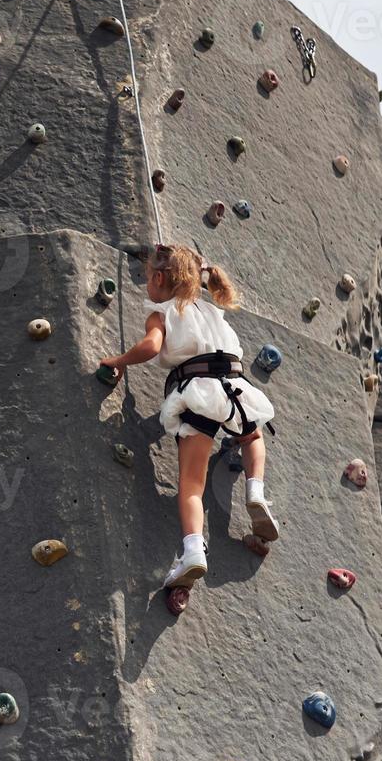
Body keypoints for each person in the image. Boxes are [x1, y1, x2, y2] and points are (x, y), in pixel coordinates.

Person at [99, 244, 277, 589]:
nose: (147, 284)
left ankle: (193, 550)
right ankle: (256, 491)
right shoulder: (209, 311)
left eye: (149, 277)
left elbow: (151, 347)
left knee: (191, 487)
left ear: (160, 277)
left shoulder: (161, 312)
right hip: (234, 388)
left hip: (195, 391)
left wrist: (118, 361)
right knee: (252, 437)